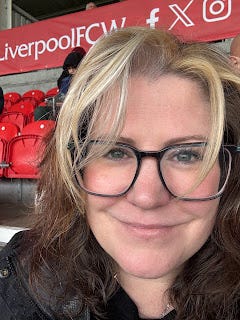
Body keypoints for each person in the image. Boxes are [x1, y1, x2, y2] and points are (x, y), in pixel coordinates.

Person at [0, 26, 240, 320]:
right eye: (115, 152)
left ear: (228, 170)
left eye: (186, 155)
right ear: (76, 167)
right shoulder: (17, 283)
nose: (147, 197)